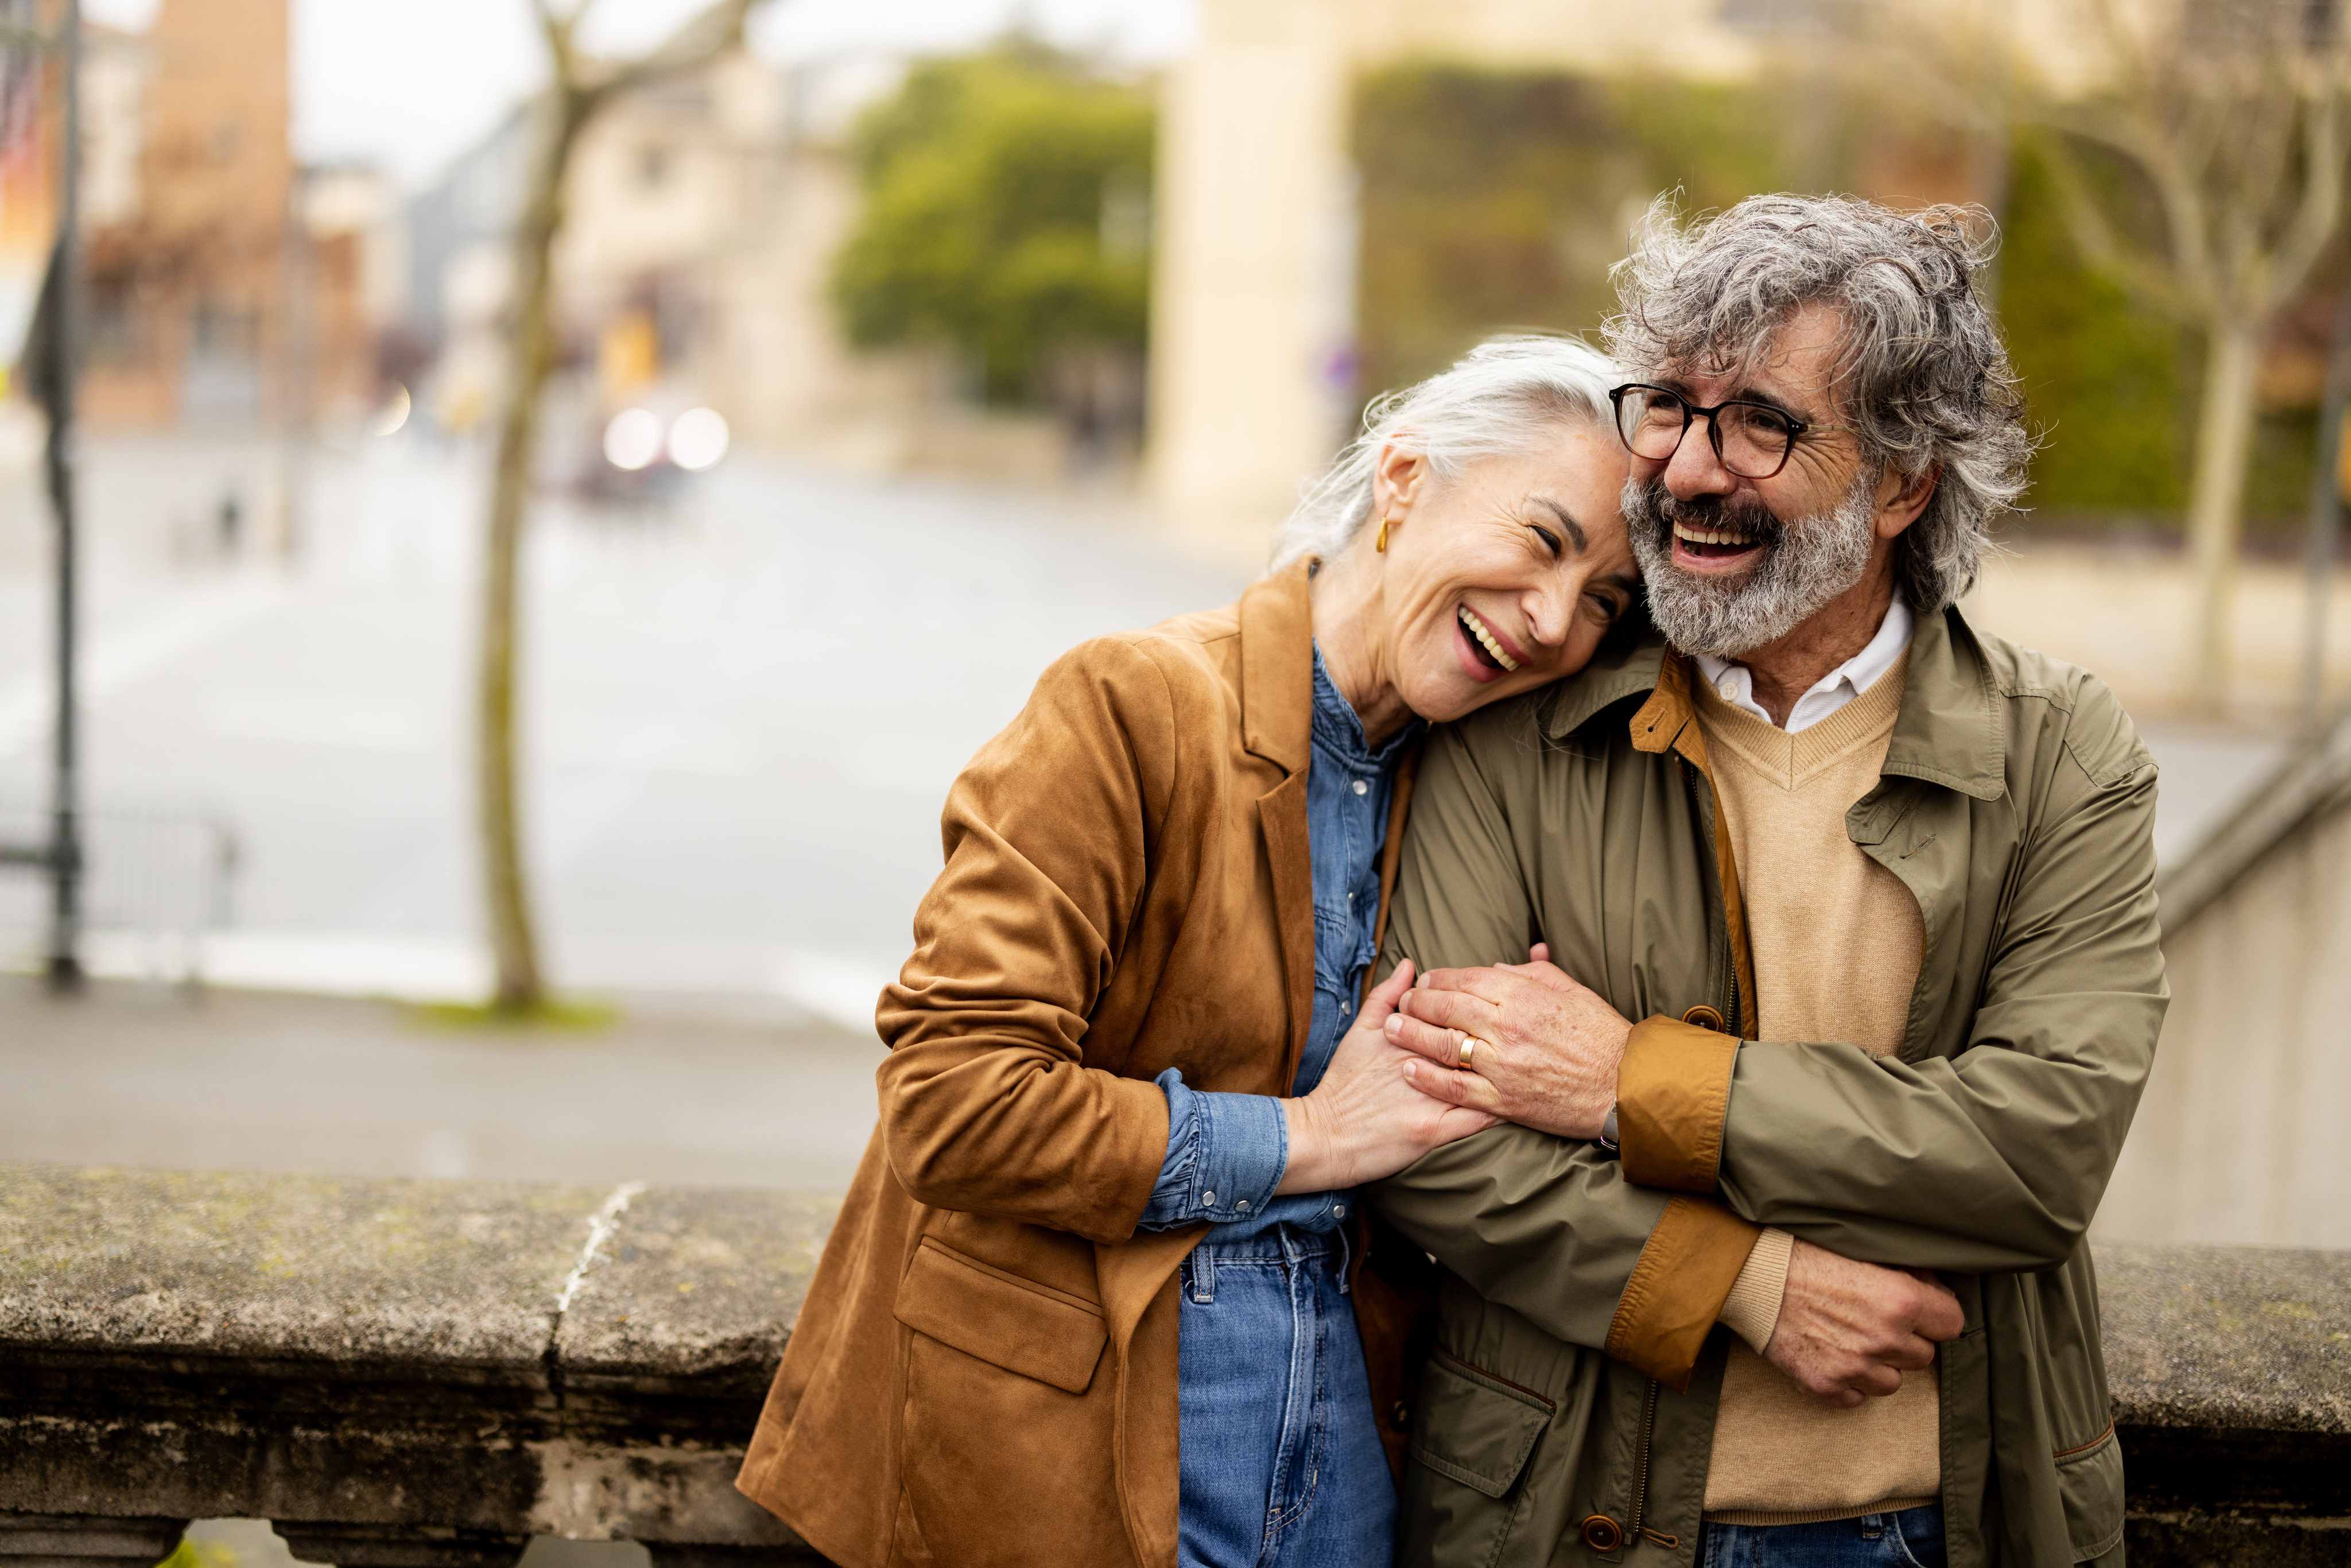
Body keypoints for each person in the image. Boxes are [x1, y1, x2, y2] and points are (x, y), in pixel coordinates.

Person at [735, 336, 1642, 1568]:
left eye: (1604, 599)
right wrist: (1307, 1138)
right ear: (1401, 480)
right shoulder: (1133, 704)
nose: (1550, 619)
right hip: (1067, 1470)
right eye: (1541, 539)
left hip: (1341, 1481)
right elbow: (950, 1103)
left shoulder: (1476, 784)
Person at [1371, 196, 2165, 1567]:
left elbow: (2039, 1150)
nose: (1685, 468)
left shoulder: (2061, 749)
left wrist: (1628, 1080)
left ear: (1903, 482)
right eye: (1669, 406)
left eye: (1760, 424)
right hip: (1571, 1519)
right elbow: (1436, 1138)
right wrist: (1743, 1283)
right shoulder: (1518, 723)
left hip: (1951, 1519)